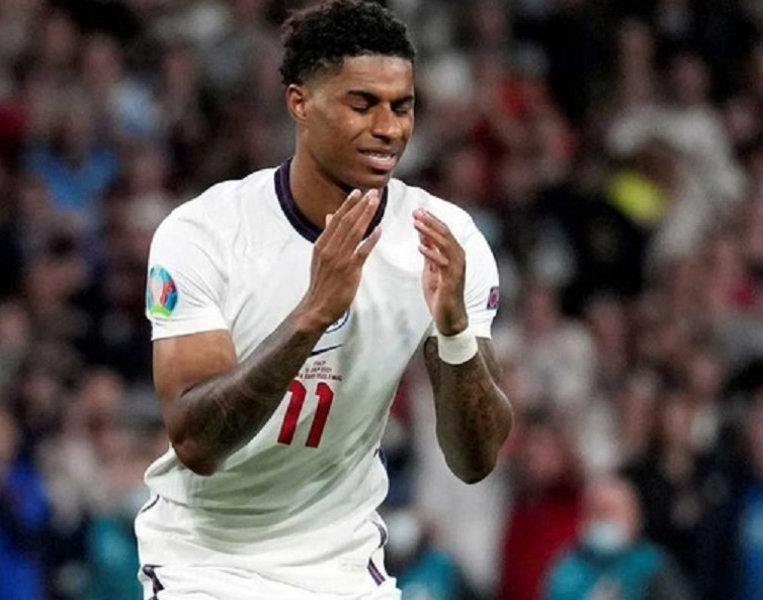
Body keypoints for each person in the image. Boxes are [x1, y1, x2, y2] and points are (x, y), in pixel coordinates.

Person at [136, 2, 512, 599]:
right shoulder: (205, 233)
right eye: (362, 104)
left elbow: (475, 460)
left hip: (342, 562)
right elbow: (197, 442)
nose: (388, 128)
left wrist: (456, 332)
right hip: (207, 559)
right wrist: (313, 315)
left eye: (402, 106)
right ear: (299, 103)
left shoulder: (444, 240)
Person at [544, 476, 692, 600]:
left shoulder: (653, 564)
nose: (604, 518)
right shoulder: (568, 566)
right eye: (597, 511)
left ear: (634, 517)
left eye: (612, 510)